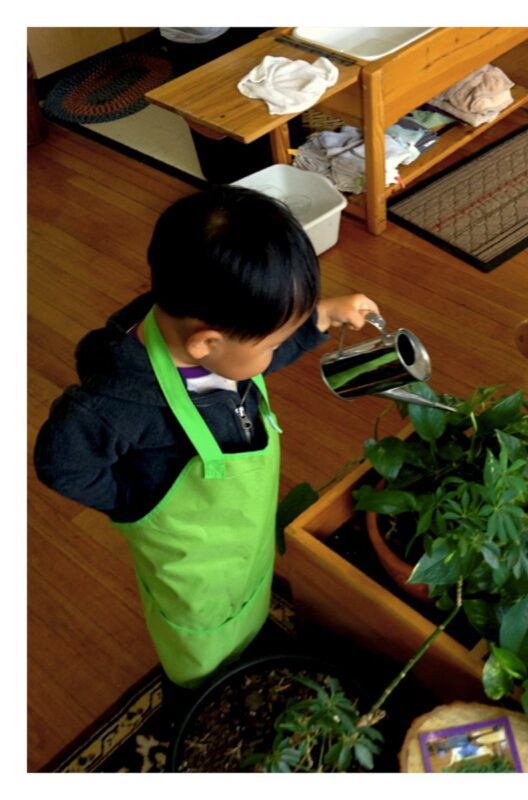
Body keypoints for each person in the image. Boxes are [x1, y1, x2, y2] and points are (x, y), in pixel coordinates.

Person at [34, 185, 380, 691]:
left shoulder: (212, 336)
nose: (278, 350)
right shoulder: (118, 402)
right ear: (206, 342)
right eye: (277, 340)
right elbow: (60, 463)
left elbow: (248, 364)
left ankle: (250, 632)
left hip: (240, 530)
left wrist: (320, 317)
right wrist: (134, 501)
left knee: (246, 589)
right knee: (203, 634)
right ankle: (205, 684)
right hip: (189, 557)